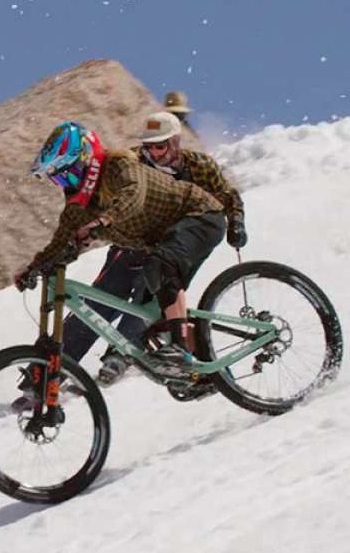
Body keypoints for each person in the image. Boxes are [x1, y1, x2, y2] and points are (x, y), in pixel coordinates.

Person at [12, 121, 226, 403]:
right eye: (59, 180)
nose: (67, 185)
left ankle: (180, 351)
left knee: (160, 268)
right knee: (116, 301)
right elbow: (60, 241)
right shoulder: (79, 207)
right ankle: (45, 378)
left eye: (69, 175)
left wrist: (104, 220)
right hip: (155, 244)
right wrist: (33, 268)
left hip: (199, 217)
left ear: (87, 159)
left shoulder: (119, 166)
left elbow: (132, 196)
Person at [84, 110, 248, 384]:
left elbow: (228, 196)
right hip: (141, 237)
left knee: (157, 281)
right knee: (102, 296)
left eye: (160, 146)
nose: (154, 153)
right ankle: (55, 367)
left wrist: (237, 224)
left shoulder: (200, 167)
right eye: (149, 147)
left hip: (184, 237)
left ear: (175, 143)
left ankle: (122, 352)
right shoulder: (134, 163)